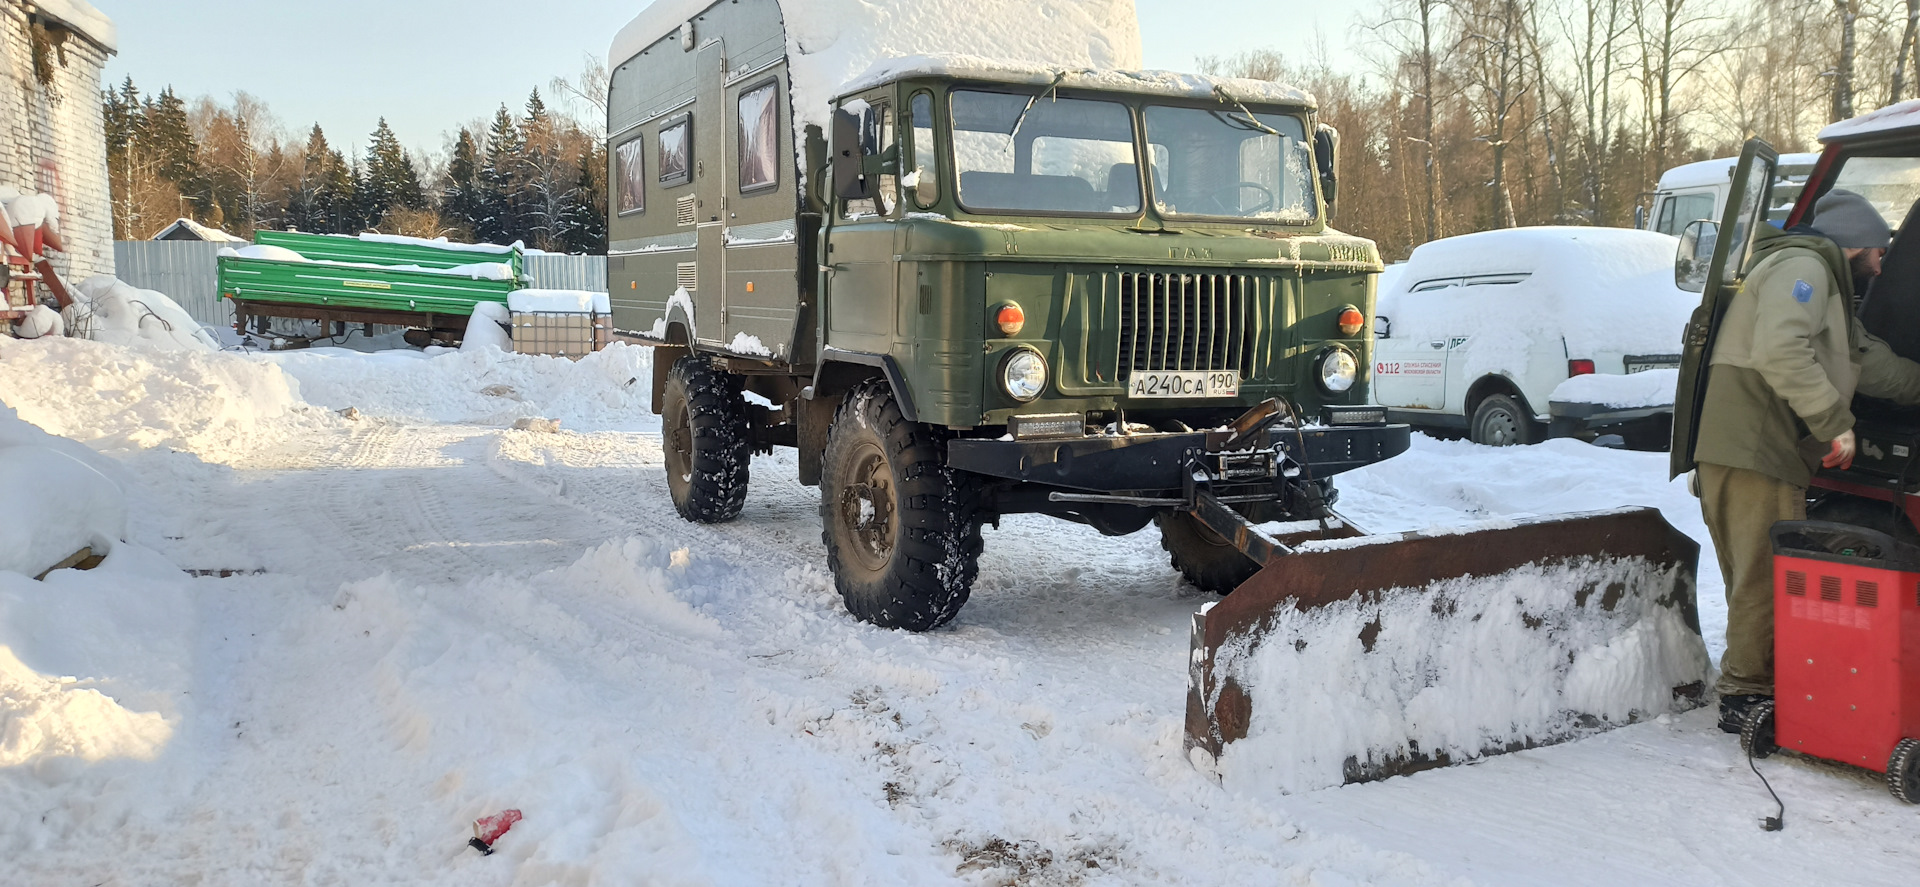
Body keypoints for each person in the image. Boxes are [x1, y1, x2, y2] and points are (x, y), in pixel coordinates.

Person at [1695, 188, 1920, 733]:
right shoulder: (1804, 268)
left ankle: (1756, 682)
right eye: (1880, 250)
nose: (1884, 263)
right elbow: (1780, 350)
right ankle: (1746, 699)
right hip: (1752, 447)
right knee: (1762, 577)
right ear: (1856, 245)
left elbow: (1869, 359)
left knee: (1753, 573)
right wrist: (1833, 422)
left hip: (1747, 449)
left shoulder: (1828, 288)